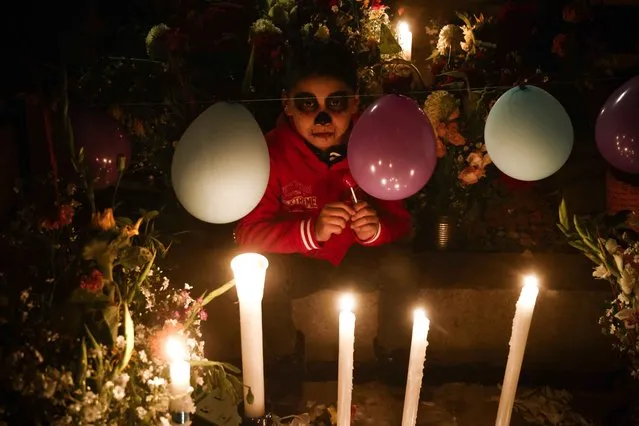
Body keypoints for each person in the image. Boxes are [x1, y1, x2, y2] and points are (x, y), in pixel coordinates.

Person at [234, 39, 412, 266]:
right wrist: (312, 232)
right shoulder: (269, 156)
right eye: (308, 104)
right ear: (287, 103)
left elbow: (401, 223)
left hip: (360, 266)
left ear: (354, 101)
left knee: (399, 267)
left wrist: (375, 230)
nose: (322, 120)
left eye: (335, 102)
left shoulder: (374, 148)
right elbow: (248, 233)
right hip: (295, 268)